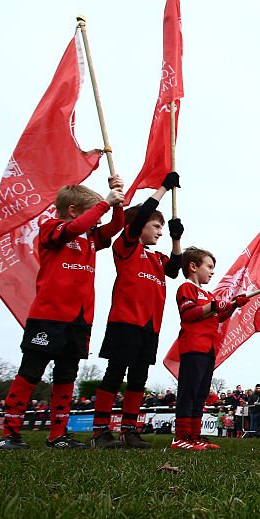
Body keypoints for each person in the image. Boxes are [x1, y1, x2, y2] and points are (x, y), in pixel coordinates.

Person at [0, 177, 125, 450]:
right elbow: (75, 228)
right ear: (74, 210)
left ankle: (58, 434)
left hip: (79, 320)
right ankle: (10, 432)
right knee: (31, 371)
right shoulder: (51, 228)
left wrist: (118, 200)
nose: (97, 222)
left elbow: (116, 226)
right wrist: (105, 203)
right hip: (49, 316)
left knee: (67, 375)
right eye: (92, 214)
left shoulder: (91, 237)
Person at [90, 173, 182, 450]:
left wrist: (177, 239)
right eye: (156, 226)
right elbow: (141, 214)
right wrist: (163, 187)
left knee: (139, 376)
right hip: (125, 321)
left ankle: (129, 430)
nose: (159, 231)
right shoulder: (126, 247)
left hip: (149, 325)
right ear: (137, 226)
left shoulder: (157, 257)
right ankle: (100, 430)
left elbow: (175, 269)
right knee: (115, 373)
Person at [171, 247, 248, 450]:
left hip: (208, 348)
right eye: (209, 267)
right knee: (188, 391)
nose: (212, 271)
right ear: (193, 266)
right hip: (194, 346)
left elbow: (217, 315)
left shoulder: (207, 293)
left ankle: (194, 435)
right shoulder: (187, 288)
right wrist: (215, 306)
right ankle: (180, 437)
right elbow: (189, 314)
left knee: (200, 392)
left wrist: (232, 306)